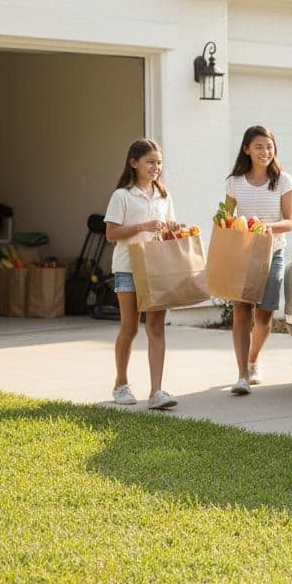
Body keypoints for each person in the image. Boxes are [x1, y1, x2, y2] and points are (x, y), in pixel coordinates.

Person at [103, 138, 181, 410]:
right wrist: (142, 226)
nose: (155, 167)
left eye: (159, 163)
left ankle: (157, 391)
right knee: (130, 327)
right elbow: (111, 233)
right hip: (128, 268)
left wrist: (172, 228)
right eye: (150, 162)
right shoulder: (122, 196)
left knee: (156, 327)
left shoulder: (164, 195)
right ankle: (121, 384)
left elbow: (167, 231)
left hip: (156, 269)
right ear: (133, 163)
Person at [224, 125, 292, 395]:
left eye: (269, 147)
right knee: (241, 313)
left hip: (272, 252)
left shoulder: (283, 181)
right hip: (242, 254)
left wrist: (269, 227)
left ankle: (254, 360)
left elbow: (289, 221)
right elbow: (226, 219)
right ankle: (242, 374)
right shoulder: (234, 182)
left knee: (264, 316)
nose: (265, 152)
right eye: (258, 147)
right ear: (246, 150)